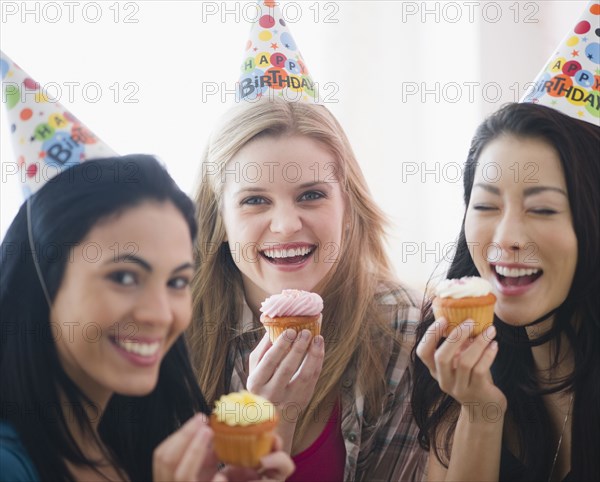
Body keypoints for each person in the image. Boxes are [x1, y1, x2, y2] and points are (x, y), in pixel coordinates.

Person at [0, 155, 294, 481]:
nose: (160, 314)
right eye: (124, 277)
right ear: (42, 283)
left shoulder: (141, 438)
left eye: (177, 282)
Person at [188, 97, 427, 481]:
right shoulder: (177, 332)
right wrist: (265, 431)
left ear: (347, 206)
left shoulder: (405, 325)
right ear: (220, 219)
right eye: (254, 200)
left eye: (311, 195)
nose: (285, 225)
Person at [413, 103, 600, 481]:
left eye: (543, 209)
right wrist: (479, 411)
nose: (506, 238)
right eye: (485, 205)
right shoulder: (461, 365)